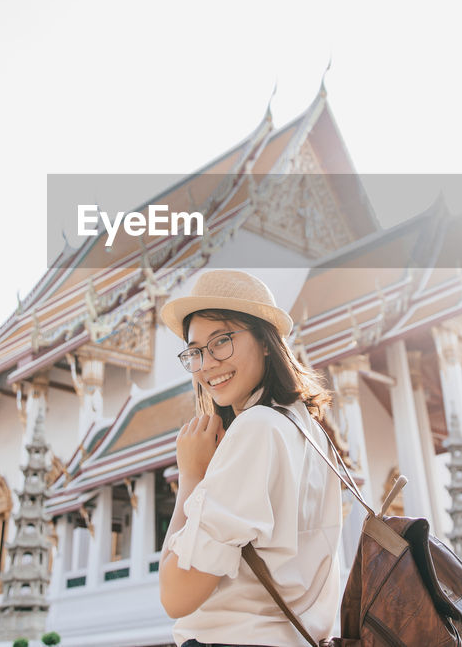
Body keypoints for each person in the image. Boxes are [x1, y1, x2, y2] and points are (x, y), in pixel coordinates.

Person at [157, 269, 343, 647]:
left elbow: (175, 595)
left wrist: (191, 476)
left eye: (221, 341)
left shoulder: (256, 428)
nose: (207, 363)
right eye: (195, 351)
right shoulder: (309, 431)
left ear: (264, 341)